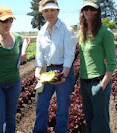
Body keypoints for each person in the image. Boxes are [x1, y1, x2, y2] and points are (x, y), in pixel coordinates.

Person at [0, 6, 29, 133]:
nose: (8, 24)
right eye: (4, 21)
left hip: (14, 84)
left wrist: (23, 56)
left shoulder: (18, 38)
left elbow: (21, 57)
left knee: (11, 118)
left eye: (10, 21)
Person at [33, 0, 77, 132]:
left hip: (63, 71)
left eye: (52, 10)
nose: (49, 13)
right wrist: (37, 70)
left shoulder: (67, 30)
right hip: (47, 71)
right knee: (41, 105)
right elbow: (39, 54)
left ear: (58, 11)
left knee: (62, 107)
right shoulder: (42, 31)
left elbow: (70, 55)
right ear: (42, 13)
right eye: (46, 11)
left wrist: (64, 75)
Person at [78, 0, 116, 133]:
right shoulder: (82, 32)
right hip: (84, 82)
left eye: (92, 9)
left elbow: (112, 61)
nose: (88, 11)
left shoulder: (105, 31)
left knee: (100, 121)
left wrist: (102, 85)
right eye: (85, 8)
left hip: (98, 82)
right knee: (89, 119)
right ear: (82, 12)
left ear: (97, 11)